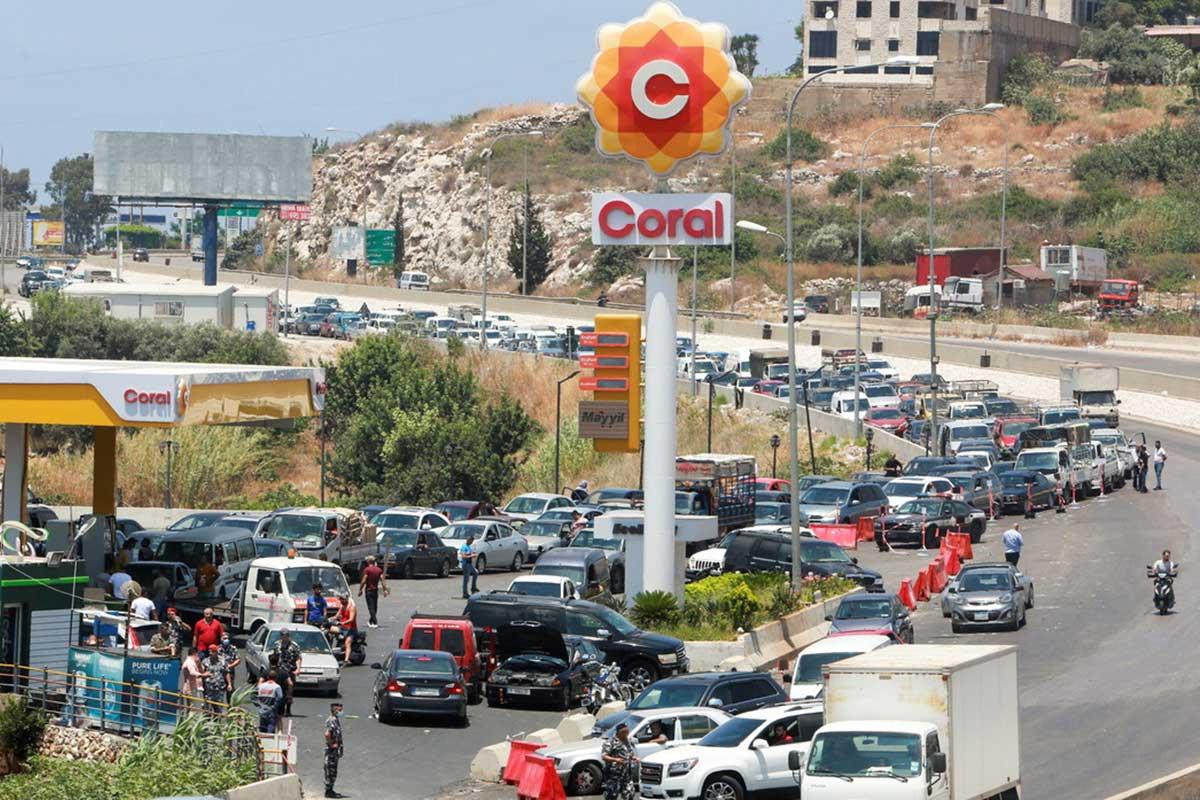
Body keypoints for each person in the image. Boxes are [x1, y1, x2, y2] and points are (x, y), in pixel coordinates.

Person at [601, 721, 638, 800]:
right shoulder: (610, 742)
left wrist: (634, 758)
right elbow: (604, 756)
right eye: (624, 732)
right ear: (618, 732)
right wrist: (616, 759)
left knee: (629, 794)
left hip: (627, 773)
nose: (626, 734)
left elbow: (629, 753)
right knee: (612, 795)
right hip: (614, 774)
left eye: (627, 732)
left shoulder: (628, 741)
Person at [272, 628, 302, 717]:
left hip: (290, 670)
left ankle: (288, 709)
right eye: (282, 636)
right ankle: (278, 708)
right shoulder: (277, 644)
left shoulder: (294, 646)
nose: (284, 638)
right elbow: (274, 657)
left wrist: (298, 669)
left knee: (289, 689)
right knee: (278, 689)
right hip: (279, 670)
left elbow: (298, 658)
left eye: (286, 636)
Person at [359, 555, 388, 629]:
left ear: (368, 561)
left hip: (368, 590)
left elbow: (364, 580)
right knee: (374, 607)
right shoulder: (378, 570)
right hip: (375, 590)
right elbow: (382, 580)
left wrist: (360, 589)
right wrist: (385, 590)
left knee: (371, 607)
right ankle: (370, 621)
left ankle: (375, 622)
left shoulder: (367, 570)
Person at [324, 701, 345, 799]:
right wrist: (332, 744)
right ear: (335, 710)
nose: (341, 711)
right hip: (331, 752)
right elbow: (327, 734)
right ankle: (328, 792)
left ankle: (331, 790)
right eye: (339, 710)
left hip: (335, 752)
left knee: (333, 771)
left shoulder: (335, 720)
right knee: (330, 771)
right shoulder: (331, 720)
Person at [202, 645, 227, 710]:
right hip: (208, 689)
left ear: (216, 652)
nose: (210, 653)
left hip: (219, 689)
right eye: (210, 651)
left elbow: (227, 672)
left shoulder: (222, 661)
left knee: (218, 708)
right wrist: (204, 675)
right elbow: (201, 673)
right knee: (208, 708)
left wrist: (229, 684)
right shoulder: (205, 661)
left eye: (212, 652)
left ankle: (218, 719)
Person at [217, 633, 240, 701]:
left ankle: (230, 706)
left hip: (230, 672)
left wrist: (230, 665)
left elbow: (238, 659)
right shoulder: (218, 648)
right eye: (224, 638)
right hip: (219, 673)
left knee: (230, 690)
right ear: (221, 639)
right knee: (219, 691)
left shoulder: (233, 648)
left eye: (227, 638)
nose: (226, 640)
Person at [336, 593, 357, 663]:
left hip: (351, 629)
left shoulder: (351, 607)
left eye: (342, 599)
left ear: (346, 599)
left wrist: (343, 622)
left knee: (347, 643)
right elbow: (336, 616)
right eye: (340, 599)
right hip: (342, 628)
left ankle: (346, 659)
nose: (341, 601)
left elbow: (351, 619)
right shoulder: (342, 606)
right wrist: (330, 619)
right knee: (329, 630)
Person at [459, 534, 479, 599]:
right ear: (468, 540)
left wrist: (473, 554)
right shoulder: (464, 546)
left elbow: (469, 553)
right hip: (466, 564)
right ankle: (465, 593)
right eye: (471, 541)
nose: (471, 543)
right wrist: (471, 556)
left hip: (469, 564)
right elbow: (463, 556)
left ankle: (473, 587)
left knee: (476, 573)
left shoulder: (469, 546)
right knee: (466, 579)